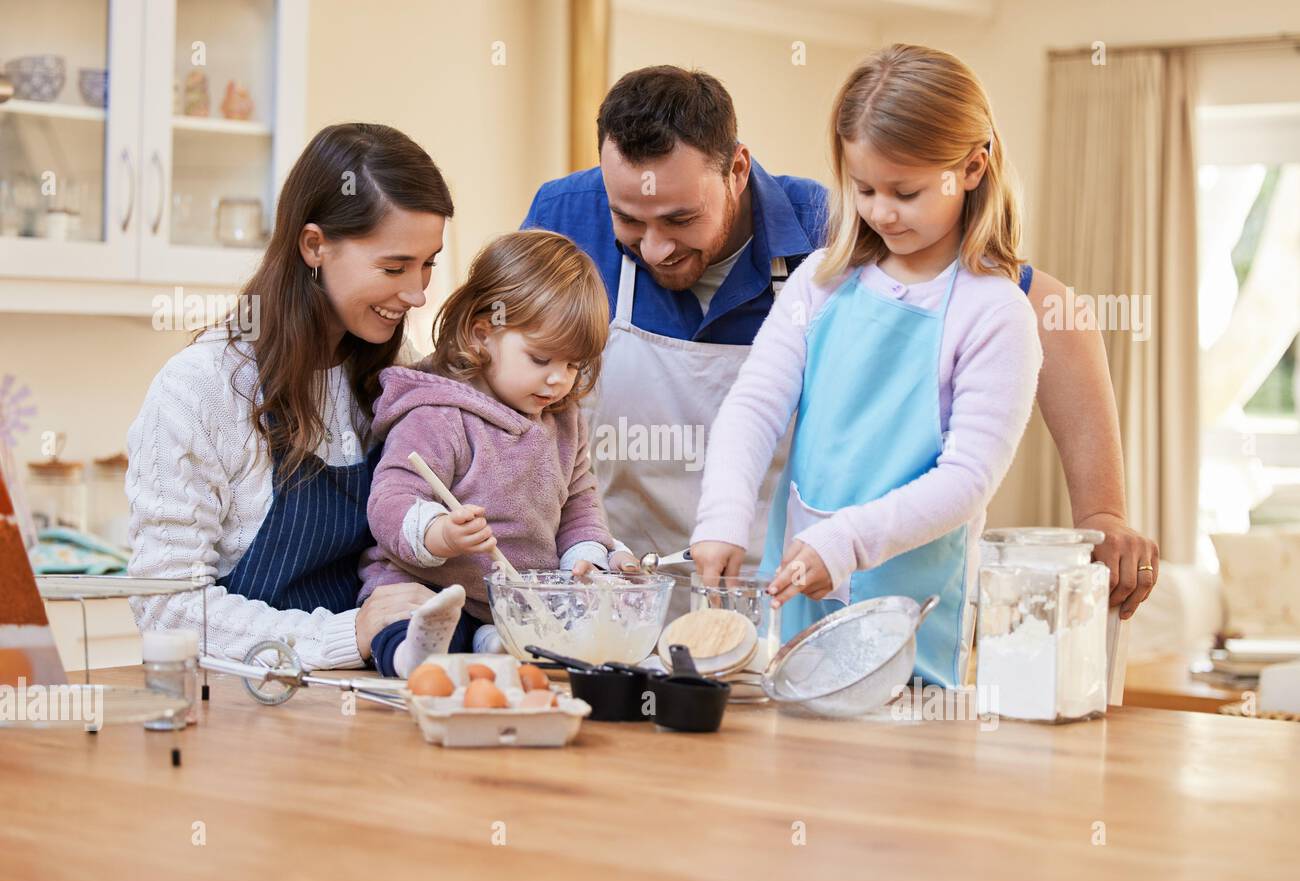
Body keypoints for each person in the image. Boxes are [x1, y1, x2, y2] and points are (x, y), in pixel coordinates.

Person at [524, 65, 1159, 620]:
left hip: (780, 586)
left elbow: (1048, 309)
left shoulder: (829, 235)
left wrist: (1101, 510)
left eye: (681, 219)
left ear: (737, 169)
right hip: (617, 587)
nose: (656, 245)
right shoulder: (565, 214)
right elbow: (494, 366)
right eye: (629, 222)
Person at [692, 43, 1041, 686]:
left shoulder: (995, 313)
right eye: (865, 189)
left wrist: (847, 541)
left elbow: (967, 480)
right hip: (799, 604)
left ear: (972, 167)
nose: (880, 212)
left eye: (905, 192)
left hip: (910, 620)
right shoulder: (821, 285)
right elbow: (753, 406)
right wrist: (721, 518)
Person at [126, 123, 450, 668]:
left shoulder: (396, 371)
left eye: (428, 264)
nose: (417, 293)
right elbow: (167, 607)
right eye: (394, 267)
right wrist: (349, 635)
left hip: (373, 700)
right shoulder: (200, 389)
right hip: (248, 716)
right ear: (314, 245)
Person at [357, 230, 634, 678]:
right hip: (424, 589)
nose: (558, 381)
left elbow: (580, 505)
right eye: (541, 359)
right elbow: (389, 501)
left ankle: (491, 642)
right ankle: (414, 658)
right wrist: (439, 533)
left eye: (573, 365)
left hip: (513, 602)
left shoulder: (564, 421)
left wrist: (586, 557)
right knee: (407, 621)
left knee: (587, 636)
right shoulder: (439, 413)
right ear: (482, 334)